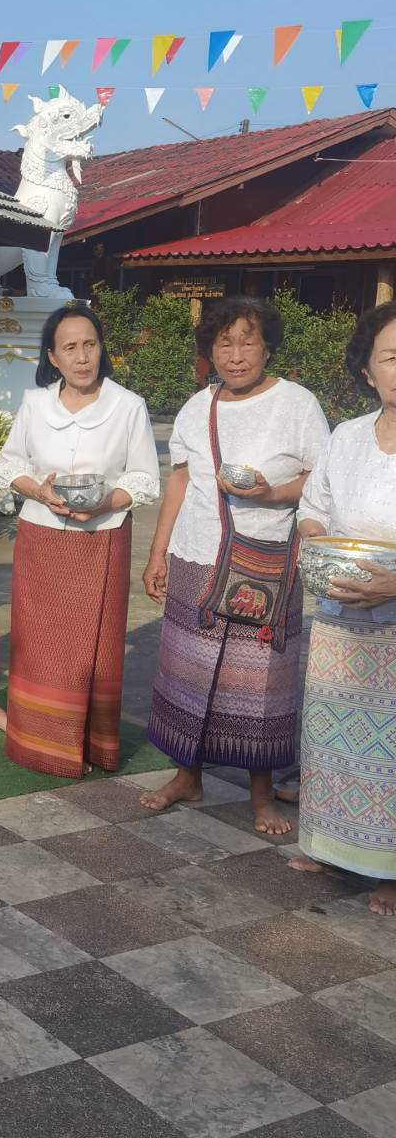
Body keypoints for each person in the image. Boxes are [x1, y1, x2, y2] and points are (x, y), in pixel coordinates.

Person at [140, 296, 330, 833]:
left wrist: (273, 495)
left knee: (262, 683)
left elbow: (323, 478)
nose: (237, 354)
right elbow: (179, 478)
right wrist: (158, 552)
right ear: (210, 351)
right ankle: (187, 774)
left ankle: (262, 795)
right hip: (197, 557)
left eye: (248, 341)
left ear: (268, 347)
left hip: (267, 565)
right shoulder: (199, 407)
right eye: (225, 342)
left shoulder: (297, 405)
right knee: (187, 670)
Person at [0, 303, 160, 777]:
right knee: (40, 642)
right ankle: (38, 744)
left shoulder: (128, 406)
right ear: (53, 356)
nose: (82, 356)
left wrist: (106, 503)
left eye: (90, 344)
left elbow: (145, 478)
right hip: (41, 538)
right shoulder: (36, 403)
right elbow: (9, 465)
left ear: (101, 349)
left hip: (101, 538)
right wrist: (39, 491)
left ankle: (89, 746)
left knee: (95, 645)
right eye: (70, 347)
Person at [290, 301, 396, 915]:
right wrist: (315, 542)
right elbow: (315, 505)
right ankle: (331, 844)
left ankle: (389, 870)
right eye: (389, 356)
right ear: (367, 370)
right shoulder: (347, 436)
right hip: (339, 616)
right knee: (334, 737)